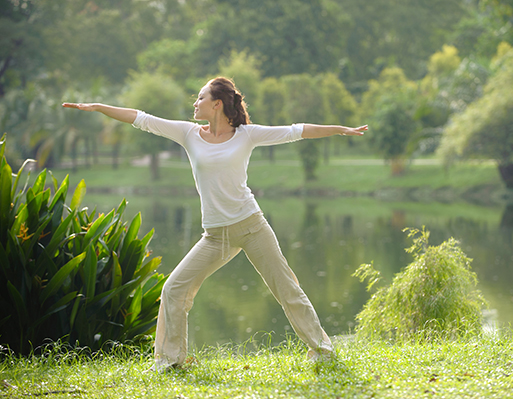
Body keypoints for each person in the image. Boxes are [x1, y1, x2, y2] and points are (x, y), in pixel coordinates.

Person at [63, 76, 367, 372]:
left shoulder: (246, 134)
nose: (195, 103)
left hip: (251, 226)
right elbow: (141, 118)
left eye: (200, 98)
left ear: (217, 104)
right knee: (173, 289)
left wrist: (342, 130)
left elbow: (297, 131)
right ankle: (170, 360)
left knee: (286, 286)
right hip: (215, 235)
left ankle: (323, 350)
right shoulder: (187, 134)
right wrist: (100, 107)